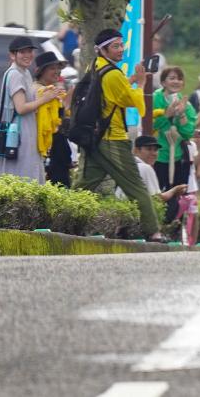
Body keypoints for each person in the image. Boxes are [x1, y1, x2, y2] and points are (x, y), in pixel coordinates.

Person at [74, 28, 164, 241]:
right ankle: (154, 232)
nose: (120, 49)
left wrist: (131, 79)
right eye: (115, 46)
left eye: (121, 45)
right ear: (103, 49)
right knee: (136, 186)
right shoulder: (113, 74)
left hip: (94, 138)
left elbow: (113, 92)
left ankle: (64, 223)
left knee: (83, 187)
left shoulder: (96, 66)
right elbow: (131, 101)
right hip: (113, 139)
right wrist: (141, 84)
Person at [0, 35, 57, 181]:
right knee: (22, 173)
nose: (27, 55)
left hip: (24, 128)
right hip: (19, 132)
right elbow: (20, 108)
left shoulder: (24, 72)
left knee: (24, 171)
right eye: (22, 52)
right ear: (12, 55)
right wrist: (45, 99)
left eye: (30, 51)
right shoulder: (15, 74)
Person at [153, 67, 199, 192]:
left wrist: (182, 115)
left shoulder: (186, 105)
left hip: (178, 158)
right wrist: (166, 115)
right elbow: (148, 126)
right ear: (163, 82)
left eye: (179, 79)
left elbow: (188, 134)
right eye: (172, 78)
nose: (176, 82)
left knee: (176, 199)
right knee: (156, 196)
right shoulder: (154, 99)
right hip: (156, 156)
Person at [28, 53, 69, 185]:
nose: (57, 71)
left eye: (58, 68)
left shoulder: (52, 91)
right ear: (41, 71)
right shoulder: (39, 91)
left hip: (57, 145)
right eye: (52, 68)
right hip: (48, 146)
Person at [128, 135, 187, 218]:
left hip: (125, 212)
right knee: (173, 203)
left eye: (155, 150)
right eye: (148, 149)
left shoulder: (129, 165)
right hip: (136, 217)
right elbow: (157, 199)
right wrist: (175, 190)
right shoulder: (145, 168)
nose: (153, 153)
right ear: (136, 150)